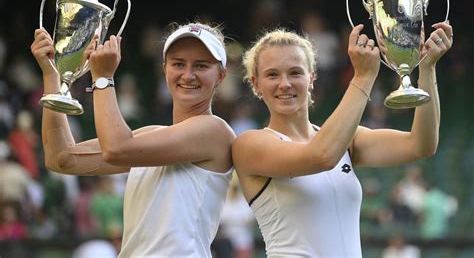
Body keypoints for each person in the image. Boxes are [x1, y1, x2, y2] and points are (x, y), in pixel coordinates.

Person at [232, 21, 453, 257]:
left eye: (295, 72)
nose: (285, 83)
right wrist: (363, 77)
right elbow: (321, 156)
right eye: (272, 75)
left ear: (311, 78)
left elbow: (421, 145)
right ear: (256, 84)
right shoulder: (249, 144)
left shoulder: (348, 139)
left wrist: (427, 68)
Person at [31, 22, 235, 257]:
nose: (188, 75)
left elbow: (116, 149)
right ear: (165, 69)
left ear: (221, 76)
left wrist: (103, 78)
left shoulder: (214, 131)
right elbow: (62, 158)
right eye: (178, 64)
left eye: (201, 65)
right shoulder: (149, 136)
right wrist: (52, 74)